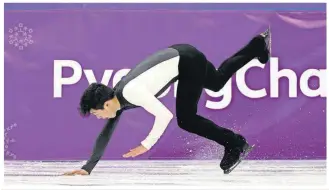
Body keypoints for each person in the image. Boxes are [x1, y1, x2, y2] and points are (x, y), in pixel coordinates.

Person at [63, 28, 271, 176]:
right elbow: (106, 133)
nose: (99, 118)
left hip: (187, 62)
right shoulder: (118, 96)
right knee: (216, 82)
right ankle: (257, 45)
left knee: (186, 119)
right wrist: (88, 167)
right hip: (183, 53)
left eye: (96, 113)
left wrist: (146, 145)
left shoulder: (131, 92)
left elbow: (165, 116)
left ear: (106, 104)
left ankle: (236, 144)